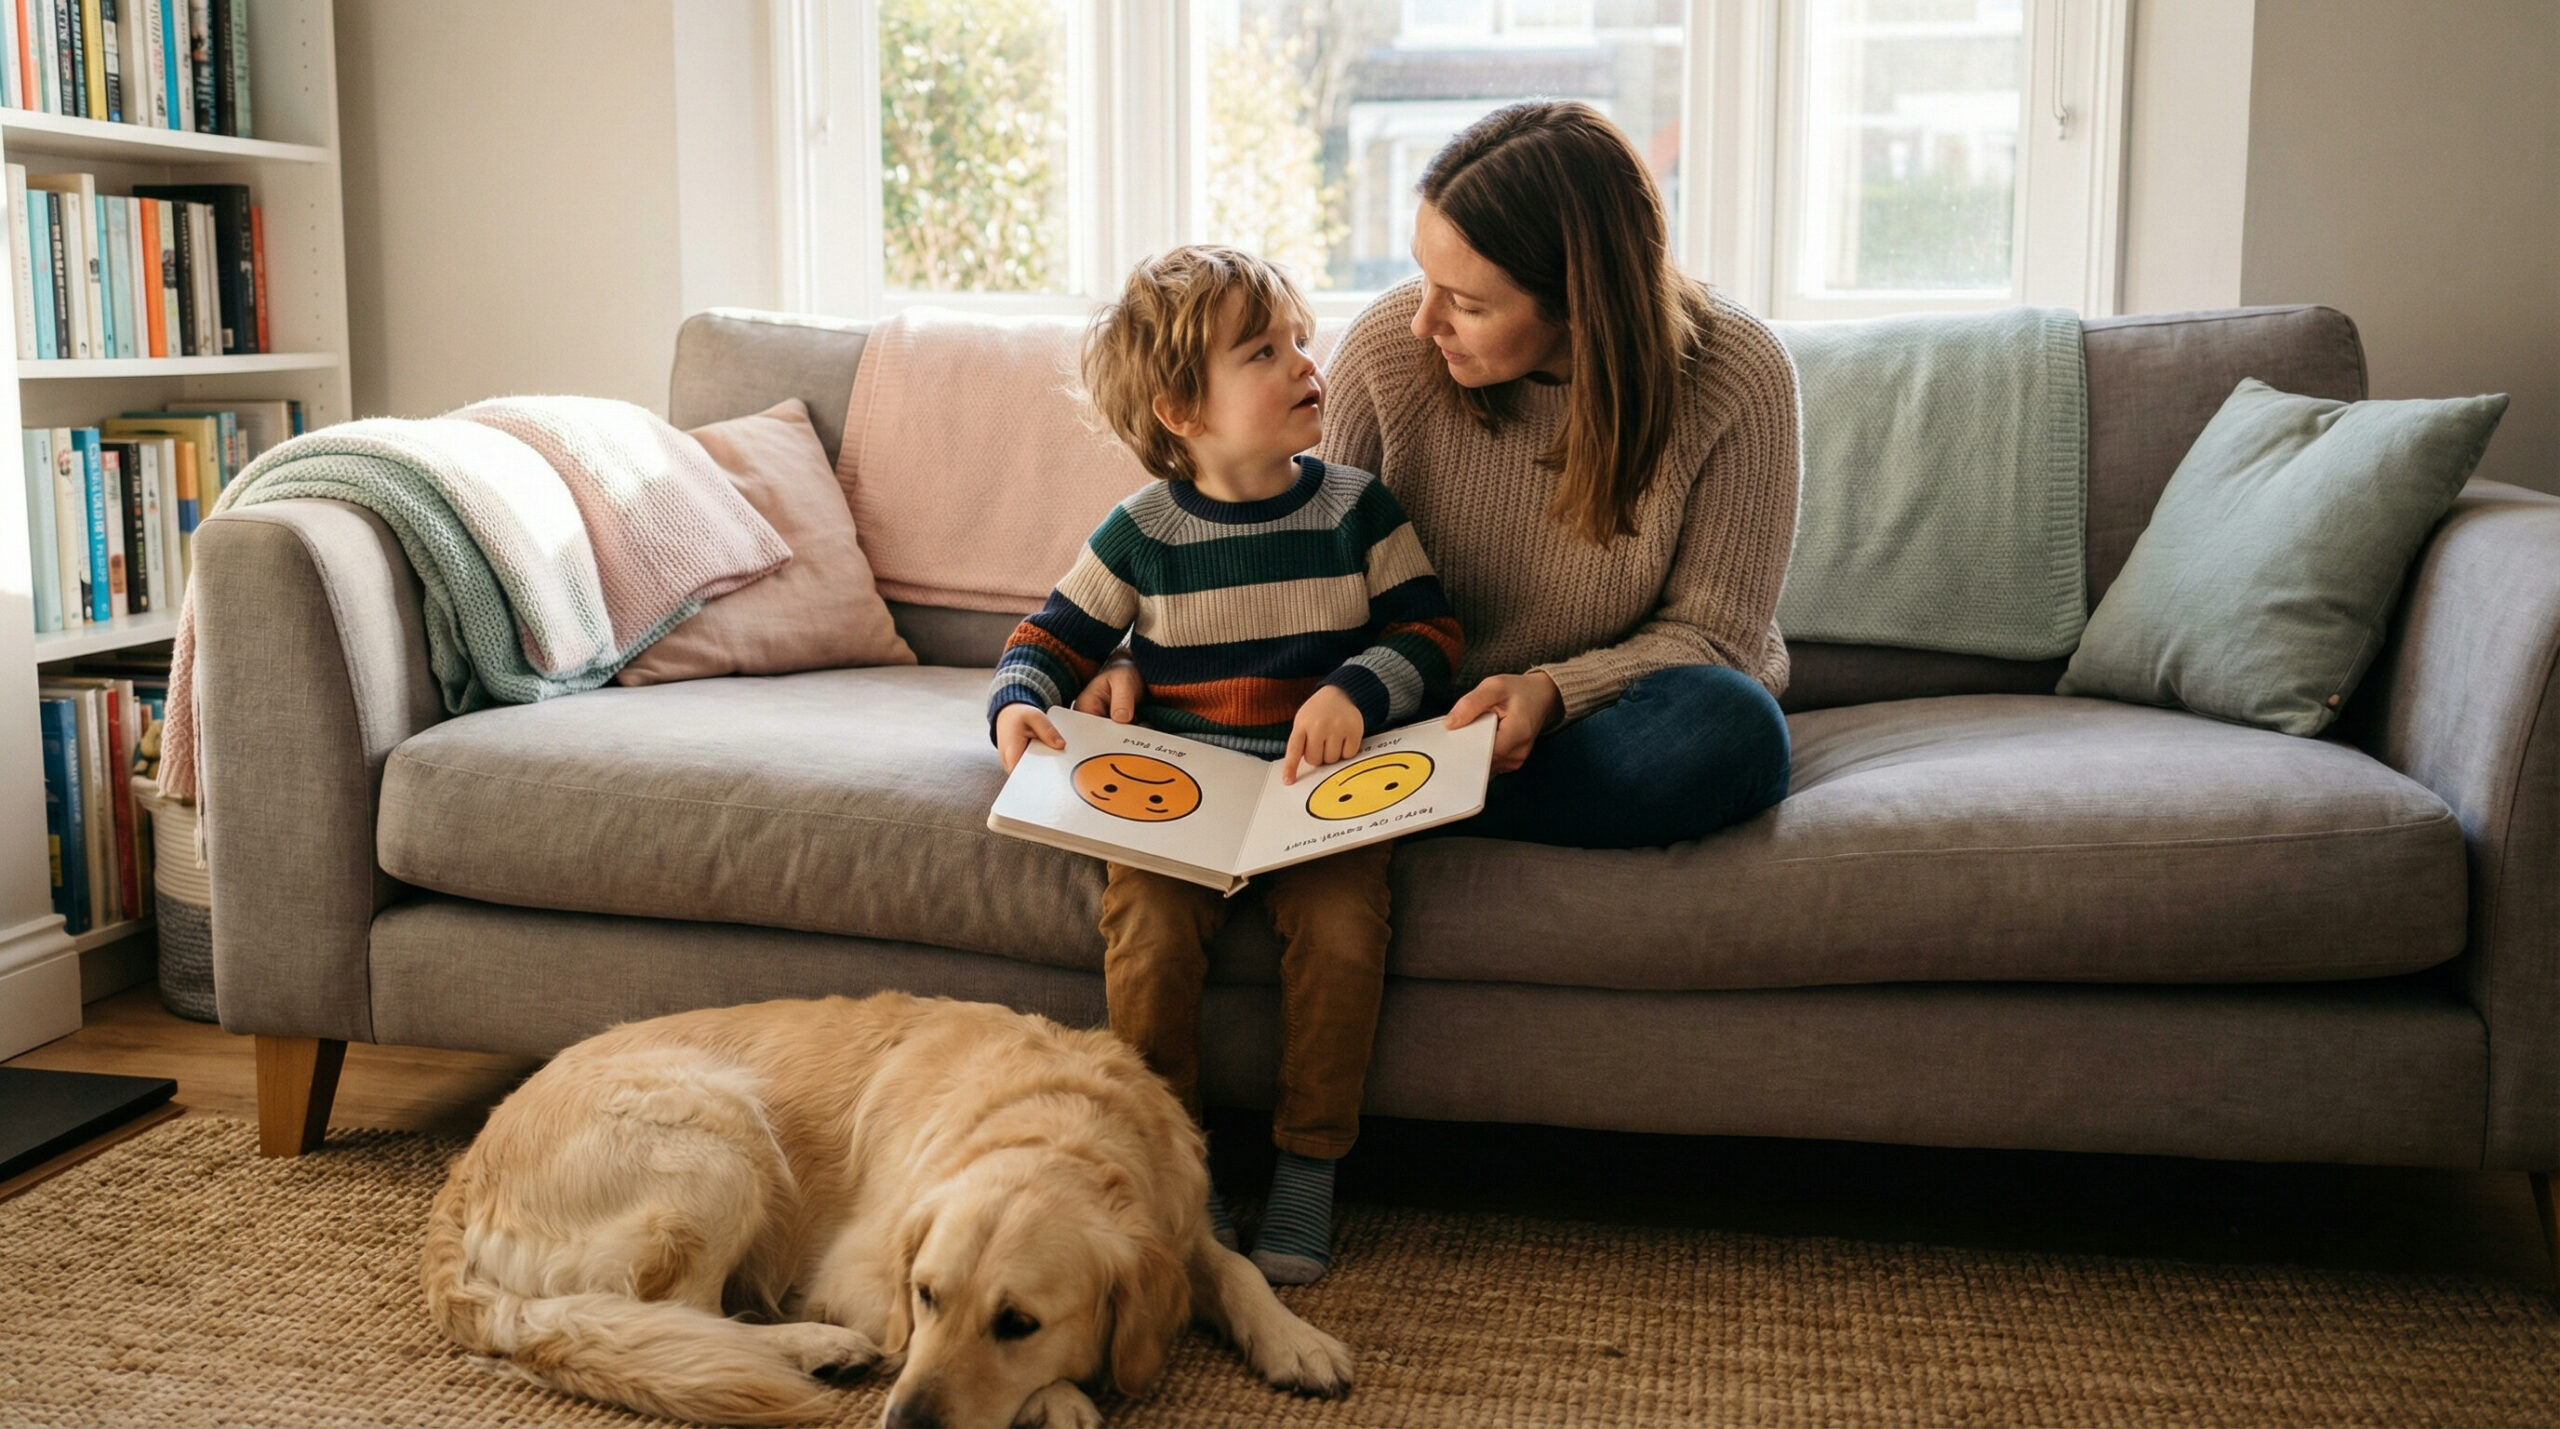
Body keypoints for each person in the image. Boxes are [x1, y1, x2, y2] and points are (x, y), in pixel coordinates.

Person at [1075, 100, 1798, 849]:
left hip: (1588, 722)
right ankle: (1398, 801)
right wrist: (1141, 664)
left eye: (1468, 303)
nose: (1424, 321)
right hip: (1404, 707)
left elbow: (1716, 636)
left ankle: (1400, 812)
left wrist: (1549, 694)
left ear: (1582, 306)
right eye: (1425, 278)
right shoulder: (1390, 350)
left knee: (1730, 725)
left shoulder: (1737, 374)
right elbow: (1292, 559)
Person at [989, 245, 1463, 1285]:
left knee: (1343, 935)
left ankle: (1308, 1165)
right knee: (1149, 941)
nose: (1305, 364)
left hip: (1317, 802)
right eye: (1263, 351)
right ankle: (1175, 1171)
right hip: (1180, 811)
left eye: (1299, 339)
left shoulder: (1358, 508)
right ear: (1180, 409)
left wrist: (1355, 690)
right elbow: (1046, 640)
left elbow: (1431, 635)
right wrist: (1019, 706)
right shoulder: (1140, 533)